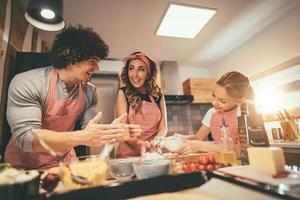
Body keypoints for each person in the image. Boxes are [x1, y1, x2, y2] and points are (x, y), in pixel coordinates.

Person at [4, 26, 141, 169]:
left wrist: (112, 132)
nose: (97, 68)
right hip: (23, 165)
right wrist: (82, 137)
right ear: (71, 56)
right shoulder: (28, 83)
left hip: (63, 162)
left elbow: (90, 129)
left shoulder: (89, 92)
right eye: (93, 60)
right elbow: (26, 139)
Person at [175, 71, 254, 154]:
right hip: (218, 160)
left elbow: (240, 149)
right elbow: (198, 137)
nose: (214, 103)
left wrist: (200, 146)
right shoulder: (211, 113)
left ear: (239, 101)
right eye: (214, 96)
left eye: (222, 101)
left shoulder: (244, 111)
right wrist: (181, 139)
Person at [115, 52, 167, 157]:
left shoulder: (158, 95)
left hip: (153, 153)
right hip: (128, 156)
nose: (134, 74)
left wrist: (156, 141)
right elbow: (124, 130)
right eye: (131, 68)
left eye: (141, 69)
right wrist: (142, 144)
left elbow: (163, 128)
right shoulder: (123, 93)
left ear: (148, 74)